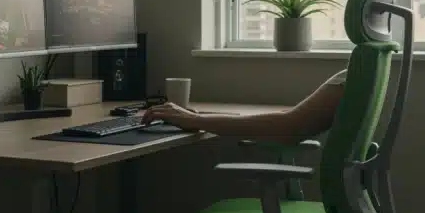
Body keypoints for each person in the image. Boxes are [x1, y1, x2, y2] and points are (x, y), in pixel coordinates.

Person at [141, 70, 347, 145]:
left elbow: (288, 128)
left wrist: (194, 120)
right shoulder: (372, 66)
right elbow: (291, 120)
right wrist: (197, 116)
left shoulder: (353, 74)